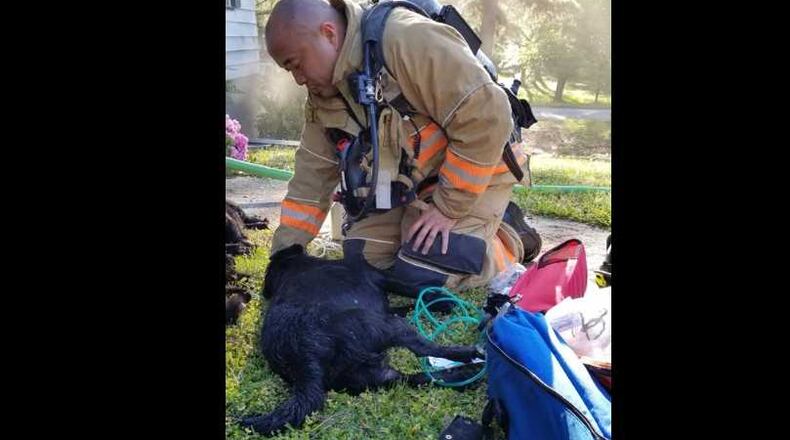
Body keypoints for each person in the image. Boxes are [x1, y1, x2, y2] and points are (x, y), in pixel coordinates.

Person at [265, 0, 541, 298]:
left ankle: (508, 238)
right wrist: (284, 257)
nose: (298, 79)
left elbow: (488, 115)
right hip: (412, 185)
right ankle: (444, 229)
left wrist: (448, 208)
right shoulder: (324, 95)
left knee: (423, 277)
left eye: (296, 64)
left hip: (477, 172)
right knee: (363, 262)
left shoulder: (406, 39)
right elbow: (311, 179)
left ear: (328, 34)